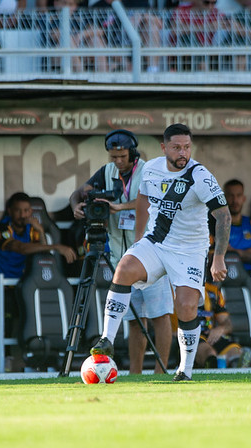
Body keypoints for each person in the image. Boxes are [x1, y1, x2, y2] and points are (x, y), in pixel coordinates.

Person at [89, 123, 231, 382]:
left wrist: (218, 256)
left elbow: (223, 217)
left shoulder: (200, 175)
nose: (183, 153)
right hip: (157, 242)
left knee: (186, 308)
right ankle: (107, 339)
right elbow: (143, 199)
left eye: (187, 147)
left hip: (189, 250)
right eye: (177, 147)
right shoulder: (151, 168)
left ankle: (184, 371)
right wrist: (139, 240)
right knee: (123, 269)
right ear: (164, 148)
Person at [70, 129, 174, 374]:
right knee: (133, 320)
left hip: (152, 254)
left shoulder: (149, 170)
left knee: (160, 316)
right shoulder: (106, 172)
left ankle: (160, 372)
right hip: (121, 257)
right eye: (113, 157)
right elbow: (79, 191)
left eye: (122, 156)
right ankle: (135, 373)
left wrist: (119, 206)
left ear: (132, 153)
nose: (117, 161)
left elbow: (151, 202)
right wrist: (77, 205)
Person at [0, 191, 76, 302]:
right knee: (10, 300)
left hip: (21, 283)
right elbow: (21, 248)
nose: (22, 215)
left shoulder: (32, 230)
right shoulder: (0, 229)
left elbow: (42, 254)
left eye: (26, 211)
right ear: (10, 211)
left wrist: (40, 231)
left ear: (31, 211)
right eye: (18, 211)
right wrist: (55, 247)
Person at [194, 276, 246, 369]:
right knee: (210, 354)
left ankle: (238, 379)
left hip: (209, 335)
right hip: (189, 336)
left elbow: (227, 323)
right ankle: (213, 374)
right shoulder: (175, 290)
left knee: (236, 355)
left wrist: (220, 329)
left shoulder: (212, 291)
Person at [222, 178, 251, 273]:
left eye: (238, 195)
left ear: (243, 198)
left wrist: (236, 253)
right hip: (225, 278)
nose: (235, 200)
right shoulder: (215, 225)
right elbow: (212, 257)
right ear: (223, 198)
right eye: (231, 196)